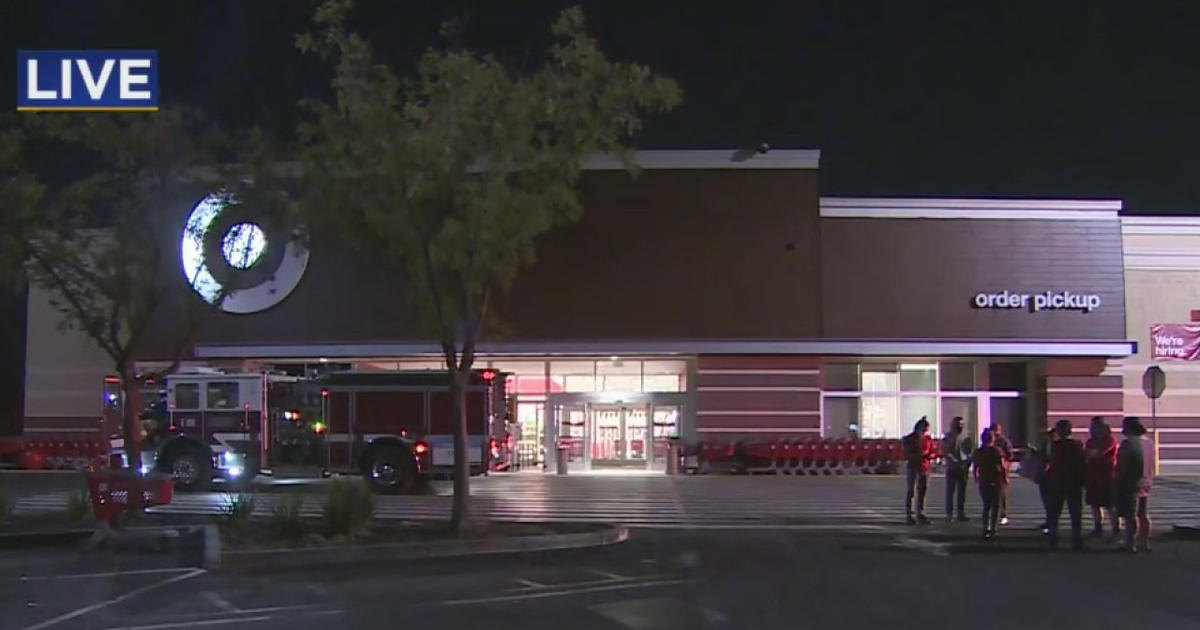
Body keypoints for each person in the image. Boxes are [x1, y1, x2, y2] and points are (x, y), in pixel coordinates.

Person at [1116, 416, 1155, 553]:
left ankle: (1130, 544)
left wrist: (1118, 480)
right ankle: (1144, 543)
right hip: (1146, 481)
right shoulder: (1149, 443)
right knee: (1143, 513)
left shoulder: (1128, 443)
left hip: (1131, 482)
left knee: (1131, 514)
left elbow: (1123, 465)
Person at [1046, 419, 1087, 550]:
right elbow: (1082, 462)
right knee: (1075, 513)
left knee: (1054, 512)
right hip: (1074, 481)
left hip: (1058, 480)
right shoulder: (1078, 444)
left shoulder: (1055, 445)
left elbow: (1050, 461)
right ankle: (1077, 539)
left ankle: (1053, 539)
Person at [1084, 416, 1119, 539]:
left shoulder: (1109, 440)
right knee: (1095, 504)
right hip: (1093, 476)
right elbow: (1088, 455)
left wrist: (1090, 455)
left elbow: (1096, 454)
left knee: (1110, 505)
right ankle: (1098, 527)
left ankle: (1116, 528)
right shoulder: (1090, 441)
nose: (1092, 429)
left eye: (1095, 426)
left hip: (1107, 476)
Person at [973, 428, 1007, 539]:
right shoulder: (997, 451)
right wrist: (1005, 478)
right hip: (996, 480)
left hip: (984, 479)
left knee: (986, 505)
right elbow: (1002, 467)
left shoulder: (978, 452)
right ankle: (993, 528)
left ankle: (985, 528)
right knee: (996, 505)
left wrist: (976, 477)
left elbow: (975, 467)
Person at [904, 417, 934, 525]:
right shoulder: (910, 439)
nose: (925, 432)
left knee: (922, 491)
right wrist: (918, 455)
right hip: (913, 467)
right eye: (924, 429)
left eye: (927, 430)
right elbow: (907, 453)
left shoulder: (928, 439)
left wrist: (930, 456)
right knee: (911, 491)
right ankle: (909, 515)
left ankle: (921, 513)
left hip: (925, 467)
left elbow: (932, 451)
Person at [942, 416, 973, 522]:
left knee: (962, 493)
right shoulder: (948, 437)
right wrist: (955, 461)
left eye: (962, 424)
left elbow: (970, 451)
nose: (960, 425)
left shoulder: (966, 436)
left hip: (963, 468)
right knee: (950, 492)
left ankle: (961, 514)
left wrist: (968, 462)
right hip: (952, 467)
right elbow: (946, 452)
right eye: (958, 424)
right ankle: (949, 514)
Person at [991, 422, 1014, 525]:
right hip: (990, 471)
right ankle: (993, 514)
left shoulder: (1004, 441)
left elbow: (1010, 455)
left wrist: (1006, 466)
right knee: (991, 494)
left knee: (1002, 494)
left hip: (1001, 471)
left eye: (997, 430)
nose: (996, 432)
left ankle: (1003, 514)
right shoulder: (989, 441)